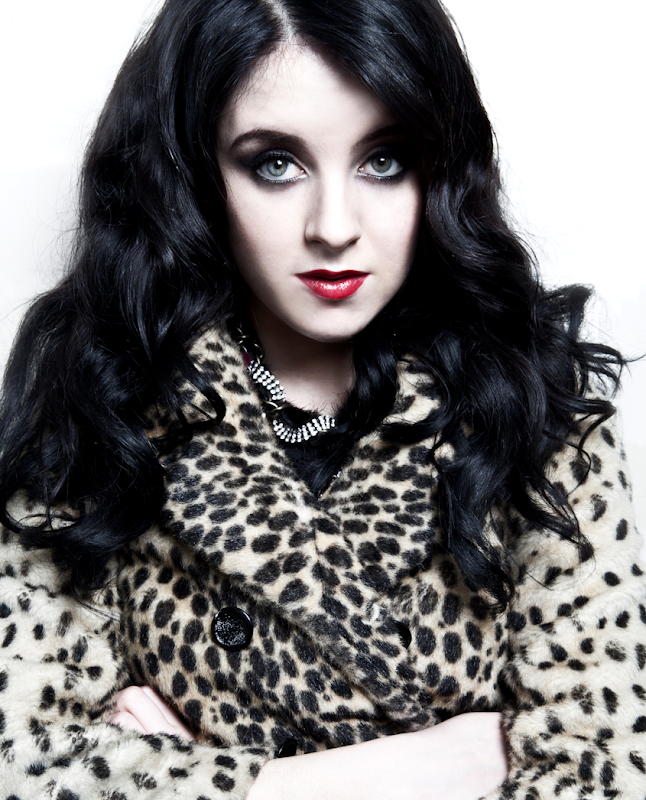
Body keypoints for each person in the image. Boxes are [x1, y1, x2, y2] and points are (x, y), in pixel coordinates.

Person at [0, 0, 644, 798]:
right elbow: (25, 765)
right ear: (195, 173)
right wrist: (432, 765)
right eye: (275, 164)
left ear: (440, 169)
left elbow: (605, 771)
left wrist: (196, 776)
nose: (334, 227)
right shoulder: (98, 405)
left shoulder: (534, 403)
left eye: (385, 161)